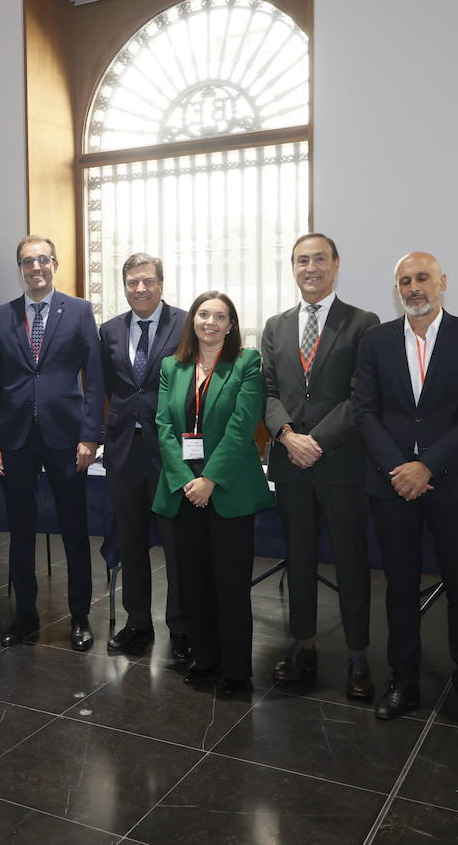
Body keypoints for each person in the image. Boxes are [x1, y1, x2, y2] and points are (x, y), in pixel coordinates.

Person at [353, 251, 458, 734]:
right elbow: (364, 411)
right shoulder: (376, 340)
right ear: (397, 290)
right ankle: (403, 681)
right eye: (405, 281)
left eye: (423, 278)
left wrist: (427, 466)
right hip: (391, 484)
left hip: (451, 484)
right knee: (399, 588)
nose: (414, 288)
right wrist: (400, 469)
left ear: (442, 282)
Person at [261, 233, 380, 697]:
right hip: (290, 462)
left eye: (318, 260)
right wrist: (288, 436)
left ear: (335, 264)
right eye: (301, 260)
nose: (310, 268)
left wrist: (318, 441)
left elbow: (361, 394)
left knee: (351, 561)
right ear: (293, 267)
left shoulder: (363, 323)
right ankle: (303, 644)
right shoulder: (275, 326)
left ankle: (357, 655)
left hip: (342, 464)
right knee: (299, 557)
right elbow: (269, 392)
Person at [0, 236, 104, 651]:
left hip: (66, 438)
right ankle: (25, 615)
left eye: (42, 260)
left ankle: (80, 616)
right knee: (20, 530)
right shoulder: (1, 316)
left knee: (74, 529)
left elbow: (95, 379)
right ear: (20, 268)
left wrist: (90, 435)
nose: (35, 267)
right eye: (27, 261)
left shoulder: (79, 311)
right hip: (15, 438)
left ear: (55, 263)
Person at [152, 291, 273, 697]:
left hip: (228, 490)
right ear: (193, 320)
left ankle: (236, 671)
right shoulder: (172, 366)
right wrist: (185, 479)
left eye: (220, 316)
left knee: (230, 584)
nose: (210, 322)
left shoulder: (247, 363)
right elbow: (164, 426)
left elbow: (242, 427)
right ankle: (205, 660)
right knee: (194, 581)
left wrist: (210, 480)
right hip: (184, 490)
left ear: (231, 325)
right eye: (204, 314)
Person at [99, 253, 188, 659]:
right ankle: (137, 623)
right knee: (131, 540)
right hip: (124, 450)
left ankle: (182, 628)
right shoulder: (109, 330)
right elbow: (109, 387)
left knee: (176, 545)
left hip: (170, 451)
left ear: (161, 283)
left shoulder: (185, 324)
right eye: (132, 282)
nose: (140, 289)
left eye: (148, 281)